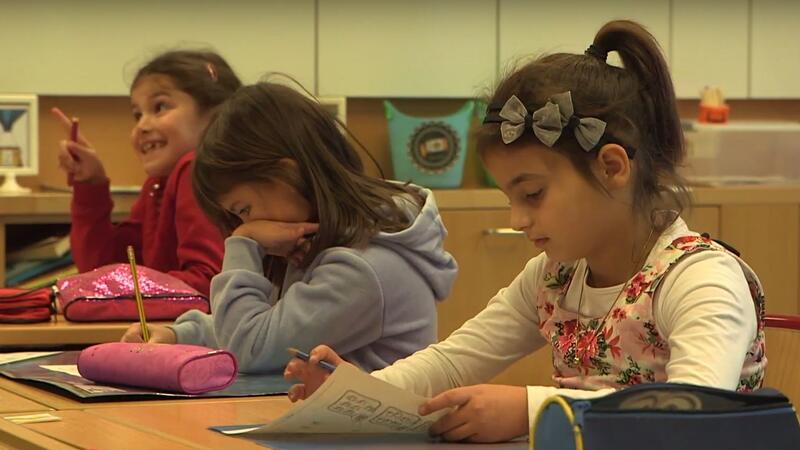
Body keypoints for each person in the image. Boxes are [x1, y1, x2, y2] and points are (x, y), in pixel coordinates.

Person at [284, 20, 766, 443]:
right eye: (510, 199)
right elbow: (452, 362)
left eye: (532, 194)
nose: (517, 220)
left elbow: (693, 415)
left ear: (612, 167)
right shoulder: (554, 277)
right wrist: (360, 390)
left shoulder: (699, 278)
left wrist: (532, 410)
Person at [122, 81, 458, 374]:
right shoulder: (318, 244)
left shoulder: (365, 268)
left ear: (287, 173)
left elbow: (250, 346)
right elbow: (268, 322)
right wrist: (180, 335)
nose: (248, 224)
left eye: (244, 210)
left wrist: (243, 242)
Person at [51, 50, 240, 295]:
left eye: (160, 107)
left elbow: (208, 283)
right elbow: (101, 268)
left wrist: (118, 290)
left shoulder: (194, 170)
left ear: (215, 116)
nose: (142, 126)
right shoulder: (158, 183)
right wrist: (90, 184)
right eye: (137, 114)